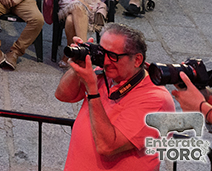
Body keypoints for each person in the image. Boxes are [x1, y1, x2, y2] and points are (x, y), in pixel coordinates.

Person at [56, 23, 174, 170]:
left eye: (112, 56)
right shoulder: (106, 72)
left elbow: (107, 146)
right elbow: (63, 95)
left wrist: (92, 90)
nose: (105, 61)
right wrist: (77, 68)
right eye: (102, 53)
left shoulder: (156, 100)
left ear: (137, 59)